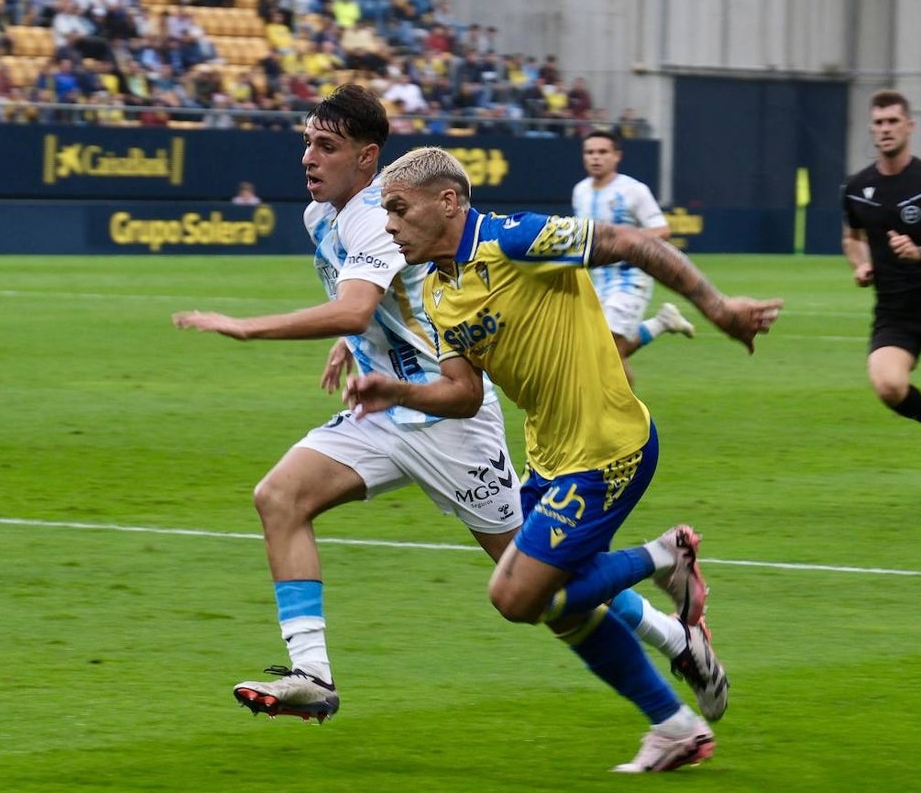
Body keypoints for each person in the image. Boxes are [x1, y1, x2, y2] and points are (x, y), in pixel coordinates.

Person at [172, 86, 729, 754]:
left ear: (366, 157)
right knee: (280, 497)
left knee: (542, 593)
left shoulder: (380, 217)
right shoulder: (327, 218)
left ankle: (673, 651)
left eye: (325, 145)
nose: (308, 158)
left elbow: (357, 305)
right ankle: (313, 675)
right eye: (306, 143)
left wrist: (246, 327)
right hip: (387, 406)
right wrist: (355, 345)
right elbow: (374, 308)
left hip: (450, 427)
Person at [346, 146, 782, 771]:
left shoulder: (515, 239)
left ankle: (663, 557)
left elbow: (631, 242)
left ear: (447, 202)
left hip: (609, 447)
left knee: (517, 598)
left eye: (397, 208)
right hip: (550, 458)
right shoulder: (438, 292)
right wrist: (398, 391)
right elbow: (465, 395)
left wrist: (717, 308)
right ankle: (674, 725)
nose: (388, 224)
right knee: (555, 608)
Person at [573, 129, 695, 385]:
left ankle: (628, 418)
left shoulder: (633, 191)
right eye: (590, 152)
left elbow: (662, 230)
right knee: (600, 352)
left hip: (631, 279)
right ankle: (662, 322)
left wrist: (625, 243)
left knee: (610, 352)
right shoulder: (581, 191)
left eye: (602, 152)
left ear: (617, 156)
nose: (596, 157)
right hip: (597, 282)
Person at [841, 88, 921, 424]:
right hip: (896, 311)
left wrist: (919, 253)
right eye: (879, 123)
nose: (885, 128)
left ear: (909, 126)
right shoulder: (858, 188)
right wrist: (861, 264)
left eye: (893, 121)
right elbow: (852, 236)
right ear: (872, 129)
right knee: (888, 384)